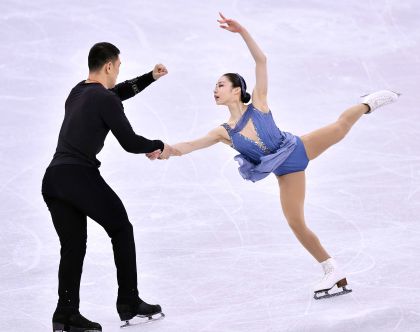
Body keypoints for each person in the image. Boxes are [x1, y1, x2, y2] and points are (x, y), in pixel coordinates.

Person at [147, 13, 400, 300]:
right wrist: (164, 150)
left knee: (341, 127)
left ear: (237, 90)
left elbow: (261, 61)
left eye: (220, 85)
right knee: (295, 222)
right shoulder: (224, 132)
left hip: (298, 148)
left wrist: (242, 31)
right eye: (214, 86)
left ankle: (369, 102)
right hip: (286, 172)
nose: (214, 90)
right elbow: (189, 146)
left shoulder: (260, 102)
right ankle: (332, 269)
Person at [42, 42, 176, 331]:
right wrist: (159, 146)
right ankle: (128, 300)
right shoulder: (105, 99)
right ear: (109, 66)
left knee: (73, 246)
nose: (118, 74)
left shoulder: (77, 91)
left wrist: (149, 77)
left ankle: (65, 314)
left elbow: (117, 93)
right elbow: (130, 142)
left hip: (54, 178)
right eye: (117, 68)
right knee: (121, 228)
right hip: (79, 175)